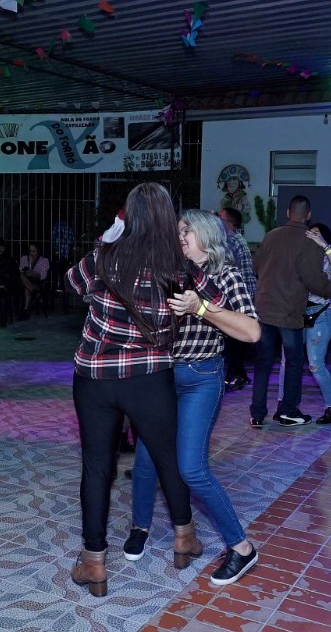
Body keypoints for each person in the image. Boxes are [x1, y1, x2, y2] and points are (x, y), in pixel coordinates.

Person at [66, 182, 223, 597]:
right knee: (169, 459)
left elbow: (72, 283)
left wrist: (107, 239)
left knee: (97, 467)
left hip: (95, 377)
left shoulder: (104, 257)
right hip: (149, 377)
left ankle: (94, 562)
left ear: (129, 216)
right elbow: (214, 299)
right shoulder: (177, 267)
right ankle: (184, 539)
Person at [126, 209, 262, 586]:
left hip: (201, 378)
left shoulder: (226, 276)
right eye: (178, 231)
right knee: (145, 459)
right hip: (161, 378)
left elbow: (251, 331)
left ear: (207, 235)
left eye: (186, 230)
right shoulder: (170, 274)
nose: (179, 236)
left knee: (192, 469)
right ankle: (139, 527)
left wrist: (200, 308)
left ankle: (242, 548)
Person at [249, 195, 331, 427]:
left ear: (288, 213)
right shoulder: (308, 240)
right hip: (289, 312)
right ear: (308, 215)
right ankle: (289, 411)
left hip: (264, 309)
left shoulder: (271, 235)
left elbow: (256, 266)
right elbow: (312, 278)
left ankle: (257, 414)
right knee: (293, 362)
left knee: (263, 363)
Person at [276, 222, 331, 424]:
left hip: (320, 314)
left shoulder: (326, 257)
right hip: (296, 314)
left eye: (316, 234)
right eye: (310, 233)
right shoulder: (299, 255)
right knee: (286, 361)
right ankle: (283, 405)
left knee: (315, 365)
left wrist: (324, 244)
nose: (312, 236)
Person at [218, 207, 256, 392]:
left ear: (229, 223)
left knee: (231, 338)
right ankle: (239, 374)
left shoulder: (231, 240)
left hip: (237, 294)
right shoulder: (238, 239)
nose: (217, 221)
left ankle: (234, 375)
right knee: (233, 339)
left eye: (220, 218)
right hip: (244, 292)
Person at [18, 242, 50, 319]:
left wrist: (35, 274)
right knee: (21, 275)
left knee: (27, 288)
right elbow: (20, 270)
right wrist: (25, 272)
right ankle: (26, 309)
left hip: (37, 282)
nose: (31, 253)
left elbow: (43, 275)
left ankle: (25, 311)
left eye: (33, 251)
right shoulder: (24, 258)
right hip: (24, 280)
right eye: (30, 251)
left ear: (38, 250)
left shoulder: (44, 260)